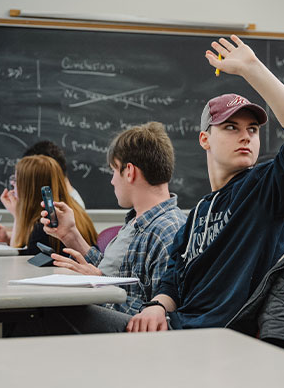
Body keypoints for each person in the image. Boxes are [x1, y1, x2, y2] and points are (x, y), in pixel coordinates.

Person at [122, 34, 284, 332]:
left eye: (253, 129)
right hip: (174, 327)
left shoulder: (265, 189)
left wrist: (253, 69)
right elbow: (173, 282)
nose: (246, 136)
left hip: (216, 340)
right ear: (205, 139)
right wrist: (156, 306)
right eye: (231, 127)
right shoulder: (196, 215)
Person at [39, 122, 186, 315]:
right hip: (104, 313)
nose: (112, 180)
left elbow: (158, 316)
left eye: (114, 171)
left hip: (124, 336)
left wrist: (100, 286)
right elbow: (112, 273)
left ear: (130, 172)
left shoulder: (168, 231)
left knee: (43, 314)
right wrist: (70, 235)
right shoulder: (136, 221)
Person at [0, 155, 97, 254]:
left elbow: (17, 263)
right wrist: (7, 239)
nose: (13, 185)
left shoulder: (43, 227)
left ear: (28, 190)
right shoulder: (74, 210)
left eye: (16, 180)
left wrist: (17, 217)